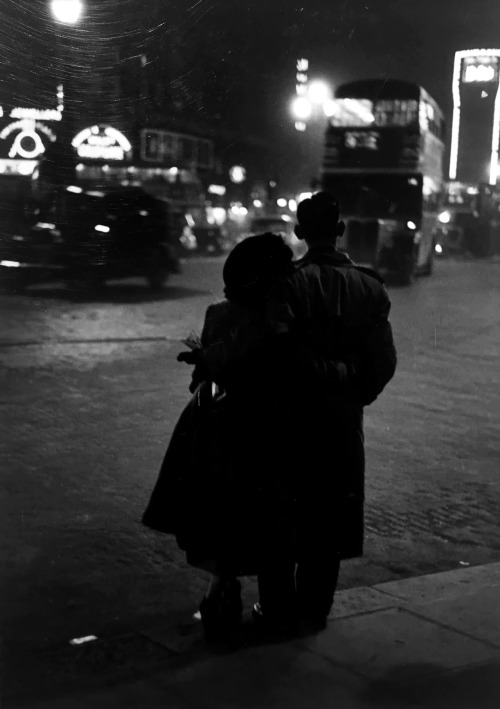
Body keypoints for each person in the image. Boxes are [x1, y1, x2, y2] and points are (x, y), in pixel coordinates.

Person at [142, 233, 299, 642]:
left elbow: (204, 378)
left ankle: (220, 599)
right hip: (267, 433)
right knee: (265, 521)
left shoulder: (219, 315)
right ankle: (266, 606)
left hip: (218, 434)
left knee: (224, 520)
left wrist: (207, 361)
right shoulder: (281, 318)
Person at [253, 191, 397, 631]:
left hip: (290, 420)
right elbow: (384, 363)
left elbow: (276, 352)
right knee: (330, 518)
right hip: (342, 423)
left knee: (281, 517)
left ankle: (277, 609)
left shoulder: (286, 285)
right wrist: (352, 392)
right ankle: (314, 611)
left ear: (299, 233)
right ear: (340, 231)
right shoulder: (371, 287)